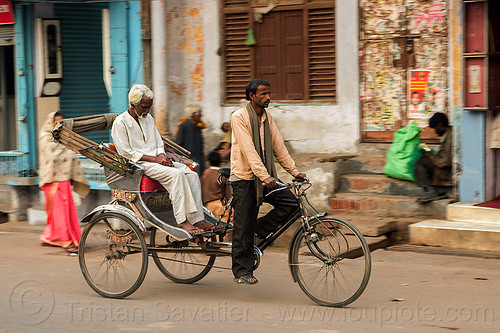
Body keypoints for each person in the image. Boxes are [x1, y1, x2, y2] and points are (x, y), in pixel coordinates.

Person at [230, 79, 306, 284]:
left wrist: (294, 171)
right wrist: (264, 176)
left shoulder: (267, 118)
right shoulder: (239, 117)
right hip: (245, 177)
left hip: (265, 177)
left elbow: (279, 148)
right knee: (242, 225)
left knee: (291, 204)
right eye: (263, 94)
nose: (268, 98)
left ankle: (259, 230)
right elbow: (249, 150)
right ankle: (241, 270)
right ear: (252, 96)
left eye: (269, 93)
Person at [111, 84, 213, 235]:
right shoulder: (120, 122)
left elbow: (158, 143)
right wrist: (155, 159)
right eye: (144, 107)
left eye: (149, 107)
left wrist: (161, 156)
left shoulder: (149, 119)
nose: (147, 111)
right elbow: (126, 152)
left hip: (155, 161)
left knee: (191, 174)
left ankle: (197, 218)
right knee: (176, 175)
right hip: (139, 165)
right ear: (133, 104)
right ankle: (182, 220)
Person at [38, 111, 90, 253]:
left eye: (61, 122)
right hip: (52, 180)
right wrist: (69, 149)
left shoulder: (61, 137)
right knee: (60, 212)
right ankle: (66, 241)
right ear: (51, 123)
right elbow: (53, 155)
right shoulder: (45, 138)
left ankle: (50, 237)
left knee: (65, 211)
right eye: (56, 122)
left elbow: (69, 152)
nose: (59, 125)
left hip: (63, 180)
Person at [415, 112, 452, 203]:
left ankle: (432, 192)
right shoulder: (447, 135)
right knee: (422, 160)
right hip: (443, 167)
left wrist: (432, 157)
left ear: (440, 125)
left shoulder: (450, 137)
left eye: (435, 128)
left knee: (420, 164)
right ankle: (434, 190)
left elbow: (445, 162)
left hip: (447, 172)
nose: (435, 132)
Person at [175, 104, 206, 174]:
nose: (201, 115)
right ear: (193, 115)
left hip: (198, 159)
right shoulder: (184, 125)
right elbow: (178, 143)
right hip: (188, 160)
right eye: (199, 113)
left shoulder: (198, 126)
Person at [202, 150, 232, 223]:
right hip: (220, 205)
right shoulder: (222, 175)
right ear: (220, 161)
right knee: (224, 226)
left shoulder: (205, 174)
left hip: (208, 206)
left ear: (209, 161)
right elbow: (228, 194)